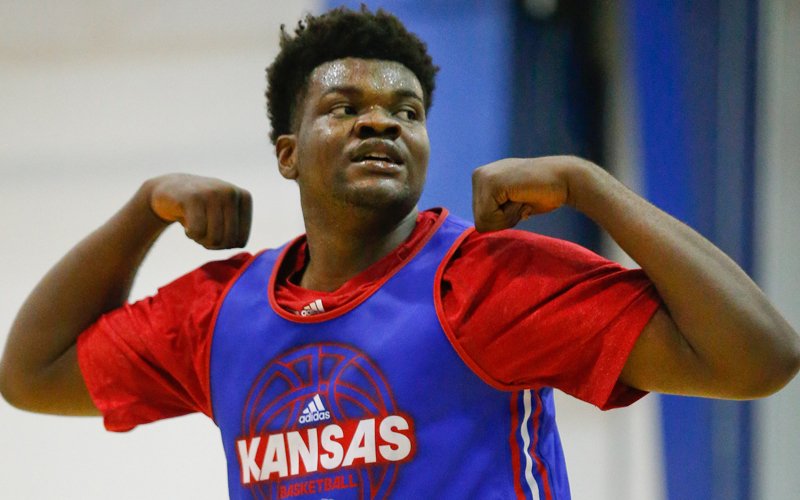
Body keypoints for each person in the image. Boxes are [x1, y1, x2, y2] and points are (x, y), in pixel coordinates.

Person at [1, 6, 798, 499]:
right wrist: (143, 210)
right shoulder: (218, 313)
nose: (380, 123)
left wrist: (591, 186)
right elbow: (31, 376)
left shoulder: (482, 282)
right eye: (344, 106)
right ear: (287, 153)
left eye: (405, 111)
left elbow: (758, 357)